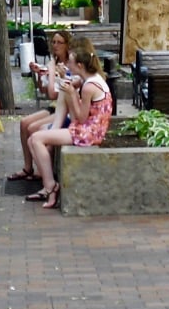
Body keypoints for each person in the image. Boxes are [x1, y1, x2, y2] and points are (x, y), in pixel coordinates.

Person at [26, 39, 112, 210]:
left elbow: (80, 118)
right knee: (32, 140)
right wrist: (57, 78)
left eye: (70, 63)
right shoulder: (88, 79)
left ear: (79, 65)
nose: (68, 67)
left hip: (88, 133)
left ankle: (51, 187)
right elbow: (64, 88)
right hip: (86, 127)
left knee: (36, 139)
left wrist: (72, 94)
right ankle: (49, 182)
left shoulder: (89, 86)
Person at [7, 30, 72, 182]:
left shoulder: (70, 65)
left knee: (32, 127)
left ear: (67, 45)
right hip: (54, 106)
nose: (55, 45)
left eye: (59, 42)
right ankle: (27, 167)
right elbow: (44, 91)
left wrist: (51, 72)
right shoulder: (53, 62)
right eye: (54, 42)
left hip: (63, 108)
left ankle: (41, 171)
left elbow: (54, 94)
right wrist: (38, 75)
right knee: (24, 123)